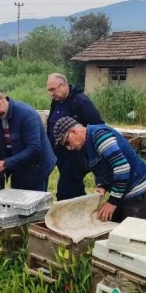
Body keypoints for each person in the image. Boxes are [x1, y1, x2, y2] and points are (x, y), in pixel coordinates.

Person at [53, 116, 146, 222]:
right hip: (123, 193)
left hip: (137, 193)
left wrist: (112, 202)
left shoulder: (100, 136)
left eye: (67, 142)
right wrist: (102, 185)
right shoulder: (85, 145)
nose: (68, 148)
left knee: (130, 236)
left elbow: (122, 168)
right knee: (114, 233)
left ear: (74, 131)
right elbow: (104, 167)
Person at [0, 87, 56, 192]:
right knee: (17, 199)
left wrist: (4, 163)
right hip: (17, 165)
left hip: (37, 167)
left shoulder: (26, 114)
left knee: (35, 203)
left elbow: (34, 149)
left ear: (3, 98)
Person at [46, 73, 104, 201]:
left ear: (64, 85)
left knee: (64, 191)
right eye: (49, 91)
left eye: (53, 89)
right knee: (75, 189)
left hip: (76, 154)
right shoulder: (56, 103)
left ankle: (64, 215)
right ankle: (81, 211)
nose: (51, 94)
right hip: (60, 154)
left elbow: (99, 127)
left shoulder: (81, 101)